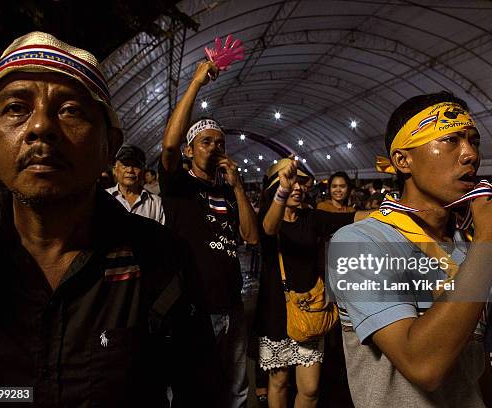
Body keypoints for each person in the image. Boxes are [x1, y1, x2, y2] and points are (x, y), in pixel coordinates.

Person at [0, 31, 217, 407]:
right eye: (16, 108)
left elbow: (199, 392)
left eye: (71, 110)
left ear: (109, 146)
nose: (40, 128)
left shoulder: (160, 263)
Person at [329, 92, 492, 407]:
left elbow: (478, 365)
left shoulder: (470, 249)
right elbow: (423, 365)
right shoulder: (359, 243)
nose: (470, 154)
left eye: (474, 141)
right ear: (403, 160)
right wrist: (491, 244)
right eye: (450, 140)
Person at [159, 60, 259, 408]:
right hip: (193, 310)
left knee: (235, 392)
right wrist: (196, 83)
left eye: (220, 142)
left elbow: (252, 237)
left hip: (231, 307)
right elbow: (168, 147)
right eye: (205, 142)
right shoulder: (178, 186)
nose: (215, 147)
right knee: (192, 391)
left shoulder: (229, 192)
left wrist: (238, 187)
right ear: (190, 151)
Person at [255, 158, 368, 408]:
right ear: (276, 187)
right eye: (289, 181)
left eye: (300, 182)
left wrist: (393, 211)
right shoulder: (268, 215)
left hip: (311, 311)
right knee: (280, 382)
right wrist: (283, 192)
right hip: (277, 313)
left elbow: (351, 218)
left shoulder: (312, 217)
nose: (297, 187)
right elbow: (269, 228)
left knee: (310, 389)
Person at [107, 145, 165, 224]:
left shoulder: (156, 204)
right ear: (115, 170)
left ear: (143, 170)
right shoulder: (101, 197)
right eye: (125, 165)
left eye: (136, 166)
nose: (130, 170)